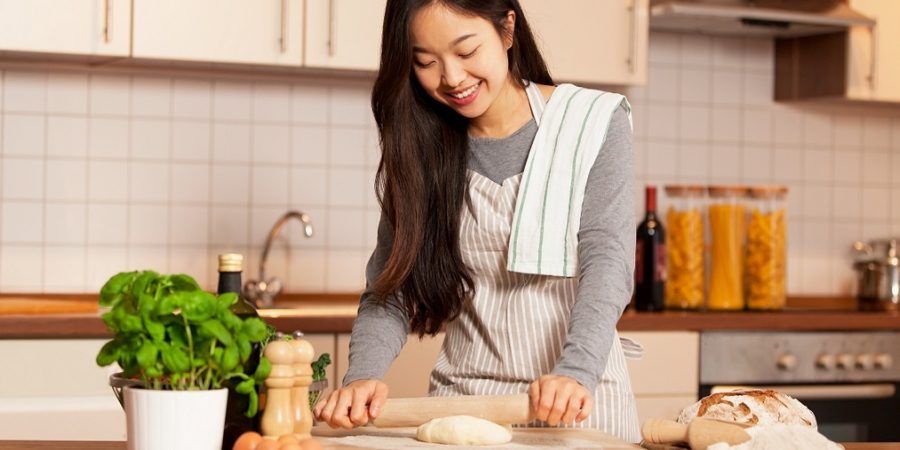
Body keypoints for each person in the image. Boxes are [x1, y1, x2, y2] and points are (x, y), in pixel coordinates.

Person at [314, 0, 640, 442]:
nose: (451, 78)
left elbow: (608, 262)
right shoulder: (421, 149)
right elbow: (390, 290)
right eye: (425, 62)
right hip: (466, 405)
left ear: (507, 29)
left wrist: (575, 372)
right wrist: (361, 377)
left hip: (580, 401)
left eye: (466, 52)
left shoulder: (592, 122)